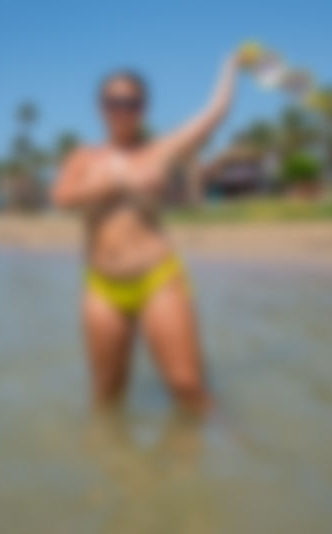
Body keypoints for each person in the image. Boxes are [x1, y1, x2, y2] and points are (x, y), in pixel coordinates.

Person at [51, 52, 242, 415]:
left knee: (186, 386)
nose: (122, 109)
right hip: (103, 287)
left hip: (158, 277)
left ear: (144, 108)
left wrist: (230, 66)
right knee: (106, 397)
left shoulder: (159, 151)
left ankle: (225, 446)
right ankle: (118, 467)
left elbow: (213, 114)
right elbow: (62, 198)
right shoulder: (84, 157)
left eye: (131, 102)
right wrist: (117, 179)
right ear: (101, 107)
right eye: (113, 102)